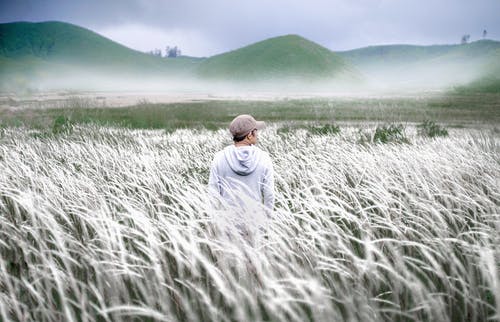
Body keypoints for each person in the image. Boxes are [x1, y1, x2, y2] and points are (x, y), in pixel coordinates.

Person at [208, 114, 275, 228]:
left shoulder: (219, 158)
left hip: (227, 225)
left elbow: (213, 194)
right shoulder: (264, 158)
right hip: (255, 225)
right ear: (249, 135)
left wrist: (215, 225)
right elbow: (269, 195)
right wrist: (266, 223)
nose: (257, 134)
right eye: (256, 131)